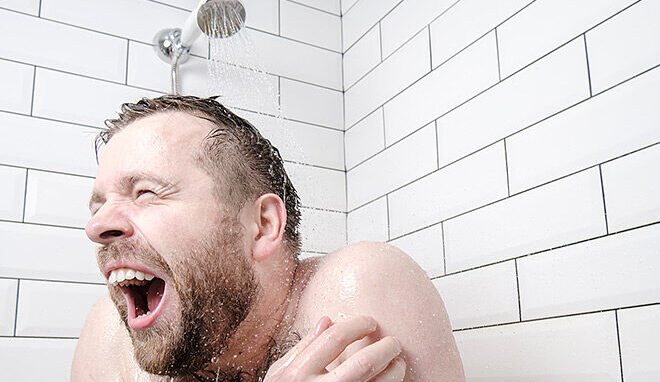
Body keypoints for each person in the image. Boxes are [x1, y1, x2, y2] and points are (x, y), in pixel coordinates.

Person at [71, 95, 465, 381]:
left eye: (145, 192)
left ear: (261, 225)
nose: (96, 227)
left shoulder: (355, 293)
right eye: (98, 206)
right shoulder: (108, 336)